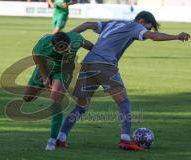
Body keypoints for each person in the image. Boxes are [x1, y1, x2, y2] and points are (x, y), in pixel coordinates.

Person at [56, 11, 190, 150]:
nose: (146, 31)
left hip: (88, 63)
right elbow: (153, 36)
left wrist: (67, 36)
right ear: (142, 21)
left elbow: (88, 24)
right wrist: (176, 36)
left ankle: (61, 138)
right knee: (124, 102)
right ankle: (125, 140)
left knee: (81, 106)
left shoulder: (115, 23)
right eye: (147, 27)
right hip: (105, 65)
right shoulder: (135, 26)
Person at [23, 32, 93, 151]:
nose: (66, 52)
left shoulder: (76, 39)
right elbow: (37, 58)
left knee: (55, 101)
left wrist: (101, 56)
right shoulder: (44, 44)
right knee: (27, 98)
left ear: (70, 42)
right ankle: (48, 85)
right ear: (53, 47)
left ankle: (52, 139)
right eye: (61, 50)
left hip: (63, 72)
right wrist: (45, 77)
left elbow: (90, 46)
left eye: (67, 48)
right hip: (46, 68)